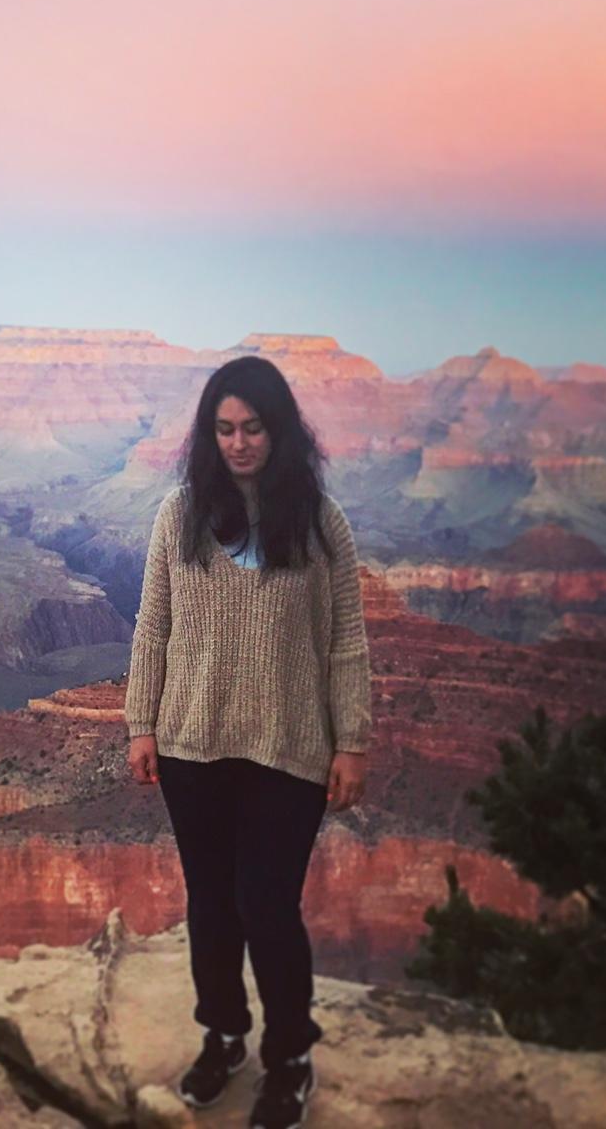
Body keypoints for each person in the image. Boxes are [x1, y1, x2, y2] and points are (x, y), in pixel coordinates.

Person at [124, 355, 372, 1129]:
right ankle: (224, 1034)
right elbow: (153, 623)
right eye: (224, 429)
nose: (238, 443)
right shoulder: (181, 514)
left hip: (290, 747)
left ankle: (289, 1056)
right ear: (208, 435)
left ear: (279, 430)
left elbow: (348, 642)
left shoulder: (321, 522)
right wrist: (141, 722)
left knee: (266, 904)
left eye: (253, 428)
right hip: (194, 744)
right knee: (211, 905)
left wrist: (351, 740)